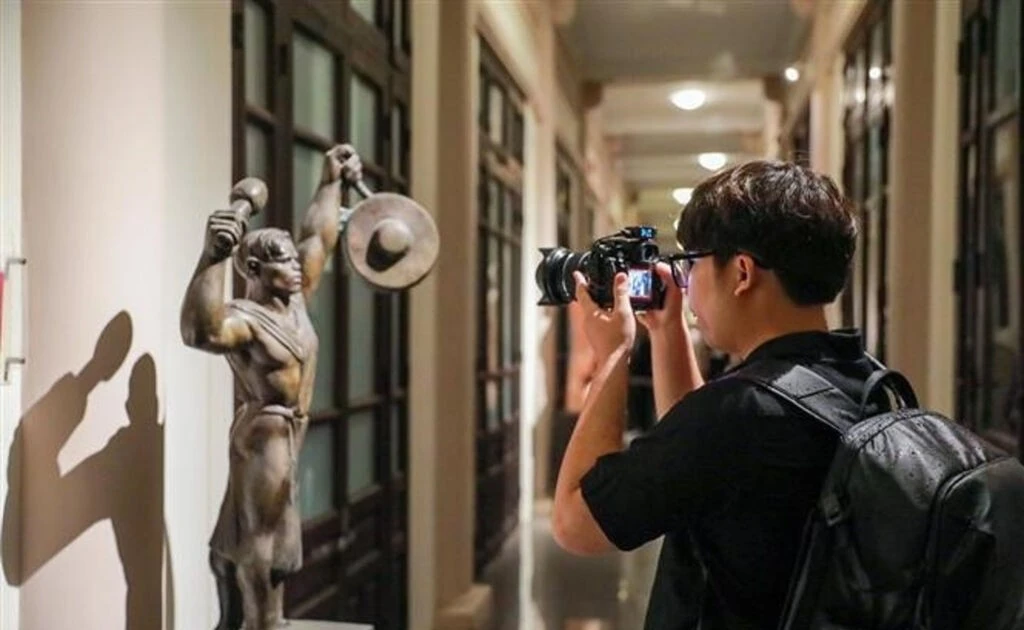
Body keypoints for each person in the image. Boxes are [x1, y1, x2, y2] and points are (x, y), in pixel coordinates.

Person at [551, 161, 866, 629]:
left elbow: (576, 524)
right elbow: (700, 462)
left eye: (691, 265)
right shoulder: (864, 381)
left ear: (741, 272)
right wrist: (667, 331)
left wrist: (614, 353)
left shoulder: (740, 414)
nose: (686, 285)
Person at [181, 145, 362, 630]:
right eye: (282, 262)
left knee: (243, 531)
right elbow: (203, 331)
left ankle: (233, 620)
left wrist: (330, 182)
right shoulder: (246, 319)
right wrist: (213, 257)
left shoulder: (294, 301)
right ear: (255, 271)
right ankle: (267, 622)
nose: (296, 268)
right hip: (265, 433)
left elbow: (318, 238)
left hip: (289, 431)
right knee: (263, 537)